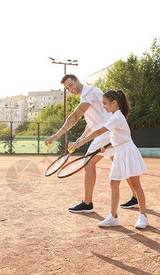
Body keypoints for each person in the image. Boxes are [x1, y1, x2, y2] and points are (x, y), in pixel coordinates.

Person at [45, 75, 137, 213]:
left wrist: (56, 136)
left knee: (89, 163)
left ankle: (87, 203)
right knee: (120, 164)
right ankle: (136, 197)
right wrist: (80, 140)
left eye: (71, 85)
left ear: (77, 80)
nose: (70, 89)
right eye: (67, 88)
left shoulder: (89, 92)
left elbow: (75, 117)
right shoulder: (89, 95)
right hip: (108, 132)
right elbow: (91, 124)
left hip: (106, 133)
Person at [68, 90, 148, 228]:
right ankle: (113, 217)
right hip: (119, 152)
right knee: (114, 183)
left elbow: (99, 131)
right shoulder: (115, 116)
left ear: (114, 103)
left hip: (128, 153)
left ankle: (143, 217)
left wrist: (79, 143)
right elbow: (117, 138)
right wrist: (106, 147)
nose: (104, 106)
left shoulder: (117, 116)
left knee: (136, 185)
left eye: (105, 103)